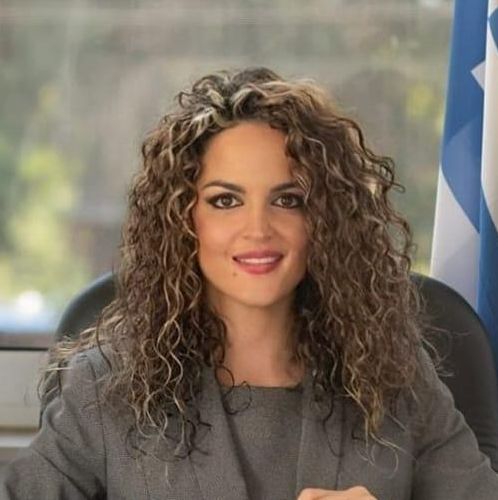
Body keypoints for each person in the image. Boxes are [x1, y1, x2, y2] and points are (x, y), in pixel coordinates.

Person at [1, 66, 498, 500]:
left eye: (288, 200)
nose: (258, 230)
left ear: (324, 219)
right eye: (225, 201)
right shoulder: (105, 385)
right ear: (184, 218)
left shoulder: (396, 376)